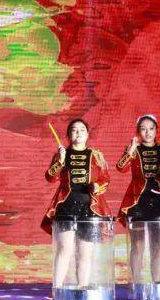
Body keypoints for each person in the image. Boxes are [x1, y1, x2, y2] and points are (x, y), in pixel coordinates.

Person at [41, 119, 110, 288]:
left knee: (85, 252)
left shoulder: (96, 155)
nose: (78, 132)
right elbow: (50, 178)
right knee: (64, 249)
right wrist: (60, 161)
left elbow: (105, 179)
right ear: (68, 135)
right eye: (74, 130)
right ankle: (57, 290)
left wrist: (97, 186)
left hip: (90, 208)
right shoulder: (62, 154)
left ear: (87, 134)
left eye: (82, 129)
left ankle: (82, 288)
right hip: (66, 206)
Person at [116, 115, 160, 285]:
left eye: (151, 128)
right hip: (137, 201)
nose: (147, 132)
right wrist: (130, 152)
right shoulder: (133, 150)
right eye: (143, 129)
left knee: (157, 246)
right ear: (138, 132)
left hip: (159, 202)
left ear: (156, 130)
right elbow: (120, 167)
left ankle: (157, 283)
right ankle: (136, 283)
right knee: (137, 245)